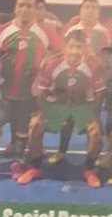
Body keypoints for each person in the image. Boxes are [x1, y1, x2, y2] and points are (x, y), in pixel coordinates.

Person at [0, 0, 62, 184]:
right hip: (3, 94)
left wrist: (47, 78)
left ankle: (17, 163)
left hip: (28, 95)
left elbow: (61, 53)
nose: (24, 9)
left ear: (35, 9)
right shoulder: (1, 31)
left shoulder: (46, 32)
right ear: (15, 8)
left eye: (29, 6)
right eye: (21, 5)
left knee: (21, 132)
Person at [18, 29, 104, 188]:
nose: (75, 51)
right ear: (65, 47)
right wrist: (40, 114)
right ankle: (34, 168)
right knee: (35, 126)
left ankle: (90, 171)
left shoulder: (94, 65)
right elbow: (42, 91)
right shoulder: (52, 63)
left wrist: (95, 117)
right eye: (71, 46)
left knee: (95, 133)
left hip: (82, 107)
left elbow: (98, 93)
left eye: (79, 47)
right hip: (57, 106)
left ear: (85, 48)